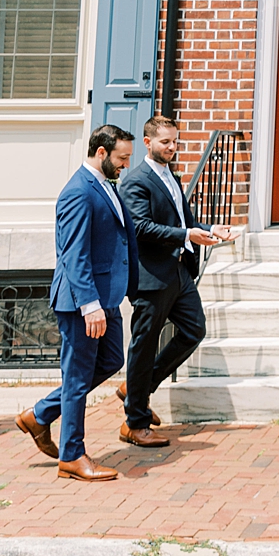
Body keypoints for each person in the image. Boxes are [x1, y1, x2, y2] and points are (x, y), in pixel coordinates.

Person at [15, 124, 139, 481]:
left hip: (108, 297)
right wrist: (90, 305)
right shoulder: (77, 192)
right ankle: (71, 456)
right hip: (82, 302)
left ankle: (39, 414)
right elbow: (73, 255)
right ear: (101, 153)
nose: (126, 165)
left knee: (112, 360)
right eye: (122, 158)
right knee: (77, 376)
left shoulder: (106, 185)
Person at [115, 114, 232, 446]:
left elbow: (184, 218)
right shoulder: (136, 180)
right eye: (166, 142)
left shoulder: (171, 176)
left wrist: (208, 230)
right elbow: (139, 228)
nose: (172, 147)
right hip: (152, 276)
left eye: (175, 141)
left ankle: (136, 387)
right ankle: (135, 424)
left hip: (179, 271)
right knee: (144, 345)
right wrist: (186, 233)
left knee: (194, 330)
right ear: (148, 142)